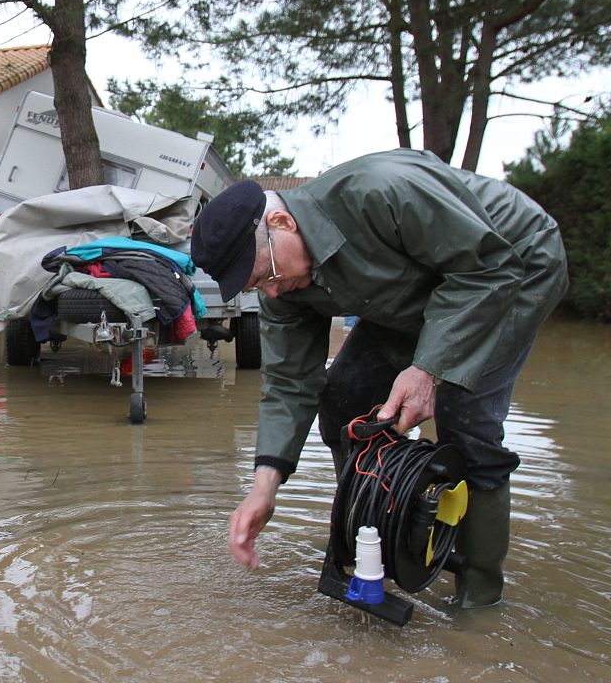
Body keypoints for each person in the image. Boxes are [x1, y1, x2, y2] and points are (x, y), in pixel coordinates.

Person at [190, 148, 568, 607]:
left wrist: (429, 369)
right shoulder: (281, 286)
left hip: (509, 265)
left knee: (464, 419)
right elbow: (290, 384)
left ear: (283, 224)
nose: (269, 291)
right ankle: (374, 541)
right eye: (255, 288)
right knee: (344, 398)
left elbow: (487, 268)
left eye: (266, 275)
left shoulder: (382, 190)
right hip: (414, 290)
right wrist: (264, 489)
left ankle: (478, 595)